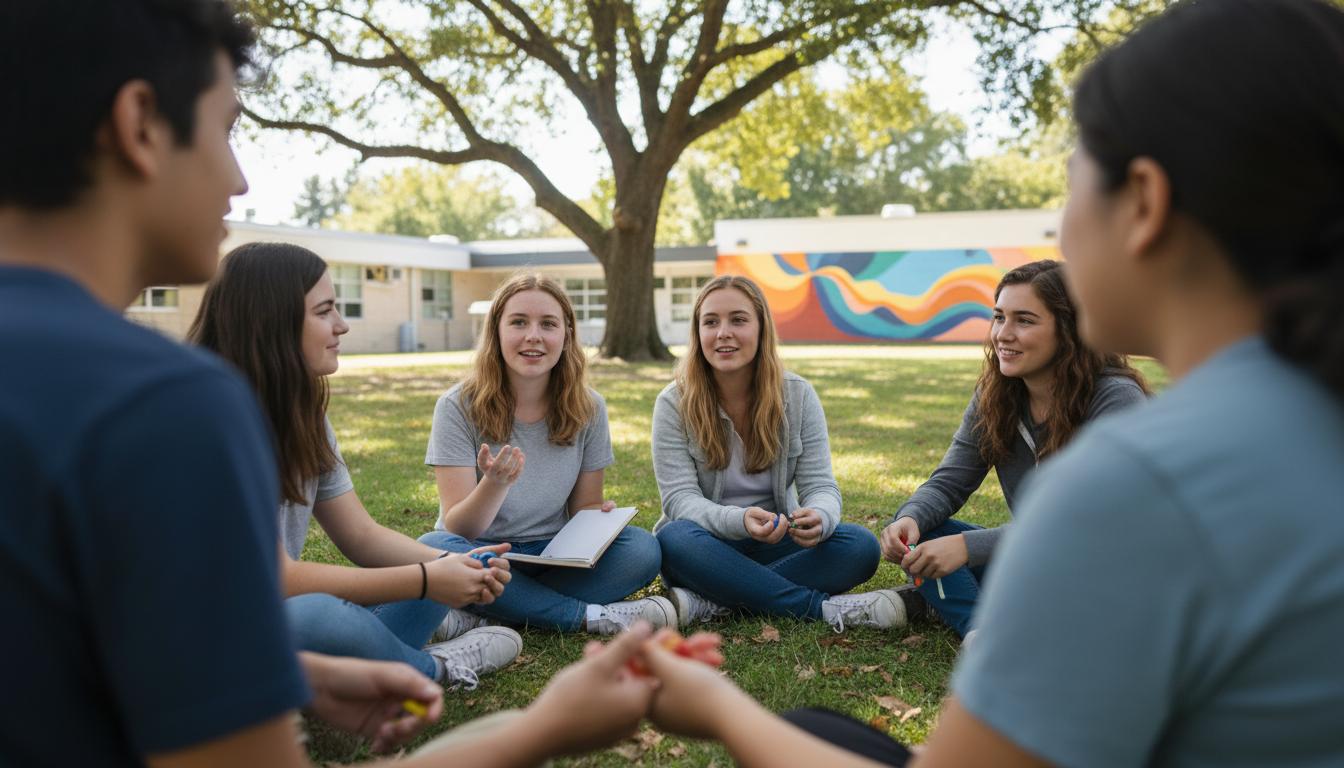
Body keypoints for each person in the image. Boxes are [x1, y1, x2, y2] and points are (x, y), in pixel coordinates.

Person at [622, 0, 1344, 765]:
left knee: (804, 727)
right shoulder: (1295, 418)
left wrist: (719, 710)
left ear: (1143, 203)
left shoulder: (1137, 474)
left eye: (1070, 192)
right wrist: (913, 522)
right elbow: (949, 479)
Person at [0, 2, 696, 765]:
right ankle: (439, 656)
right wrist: (539, 730)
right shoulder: (165, 402)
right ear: (140, 123)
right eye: (227, 128)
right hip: (311, 626)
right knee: (332, 610)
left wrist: (300, 667)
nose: (239, 180)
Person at [188, 242, 522, 690]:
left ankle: (376, 655)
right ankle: (434, 670)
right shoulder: (207, 420)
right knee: (316, 615)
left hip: (275, 633)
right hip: (207, 645)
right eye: (324, 311)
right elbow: (276, 579)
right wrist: (426, 579)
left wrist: (455, 565)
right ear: (272, 319)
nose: (342, 325)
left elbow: (361, 536)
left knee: (453, 552)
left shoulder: (304, 414)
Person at [878, 260, 1148, 637]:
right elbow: (948, 483)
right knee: (926, 534)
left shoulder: (1116, 400)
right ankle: (982, 632)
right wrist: (910, 518)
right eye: (998, 317)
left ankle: (955, 609)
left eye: (1024, 320)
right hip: (1038, 562)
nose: (1003, 334)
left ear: (1070, 329)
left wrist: (968, 548)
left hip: (1115, 577)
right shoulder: (998, 396)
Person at [421, 273, 672, 633]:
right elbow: (459, 526)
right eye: (519, 322)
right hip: (482, 553)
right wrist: (495, 484)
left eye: (548, 324)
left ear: (566, 334)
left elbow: (582, 508)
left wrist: (598, 520)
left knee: (643, 549)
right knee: (433, 547)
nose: (533, 336)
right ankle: (586, 617)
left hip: (554, 555)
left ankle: (488, 609)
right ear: (497, 332)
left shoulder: (589, 408)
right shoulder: (456, 407)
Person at [652, 275, 902, 631]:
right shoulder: (673, 403)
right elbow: (680, 501)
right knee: (672, 538)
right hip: (707, 545)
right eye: (711, 322)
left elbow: (821, 486)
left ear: (761, 328)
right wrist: (737, 521)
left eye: (738, 320)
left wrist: (820, 515)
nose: (723, 332)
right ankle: (822, 610)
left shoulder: (798, 395)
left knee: (859, 546)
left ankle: (714, 601)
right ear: (698, 333)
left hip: (776, 538)